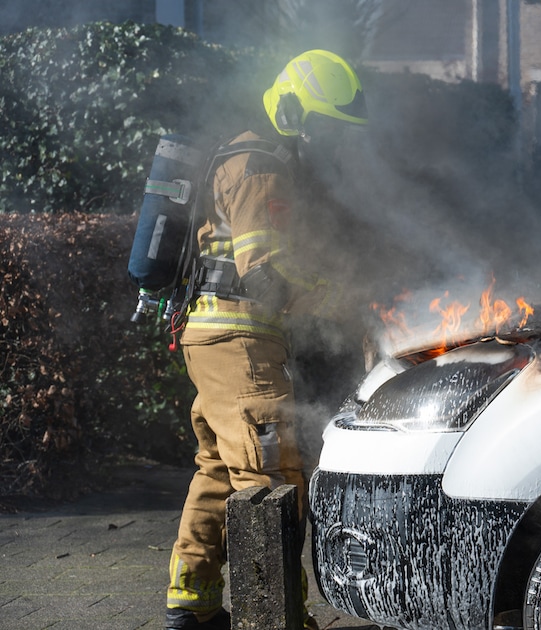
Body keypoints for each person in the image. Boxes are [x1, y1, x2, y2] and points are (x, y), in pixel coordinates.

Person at [164, 49, 368, 630]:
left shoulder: (247, 154)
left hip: (210, 337)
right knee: (271, 480)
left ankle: (192, 604)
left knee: (218, 470)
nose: (330, 140)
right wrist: (342, 302)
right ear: (293, 111)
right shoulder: (262, 165)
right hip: (243, 342)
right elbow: (266, 272)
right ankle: (277, 618)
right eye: (325, 124)